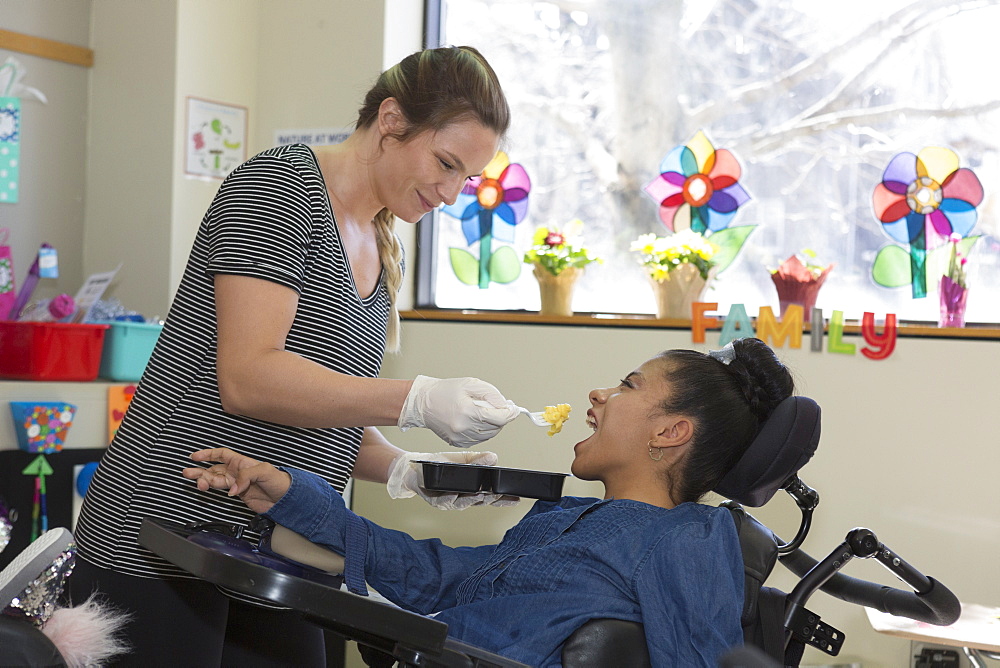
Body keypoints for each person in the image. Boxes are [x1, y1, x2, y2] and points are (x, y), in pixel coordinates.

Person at [70, 46, 522, 666]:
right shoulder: (278, 189)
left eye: (466, 178)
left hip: (276, 546)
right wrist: (414, 398)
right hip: (166, 535)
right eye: (445, 164)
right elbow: (249, 378)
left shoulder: (383, 248)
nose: (449, 194)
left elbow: (321, 412)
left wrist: (405, 468)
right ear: (391, 119)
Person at [184, 338, 796, 667]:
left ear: (670, 433)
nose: (599, 393)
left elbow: (699, 659)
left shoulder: (687, 538)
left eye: (629, 386)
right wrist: (294, 497)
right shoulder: (567, 519)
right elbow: (441, 576)